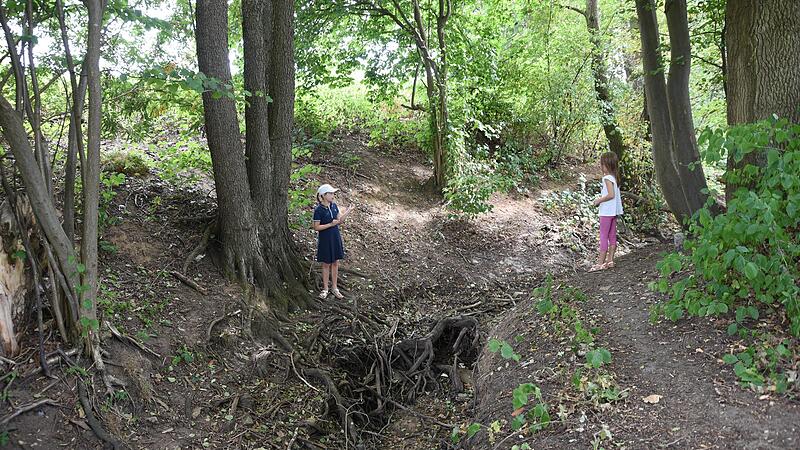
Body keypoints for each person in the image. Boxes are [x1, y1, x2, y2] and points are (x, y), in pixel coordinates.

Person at [312, 184, 353, 299]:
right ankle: (325, 289)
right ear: (323, 195)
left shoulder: (334, 206)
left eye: (333, 193)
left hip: (335, 237)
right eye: (330, 193)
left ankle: (334, 288)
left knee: (335, 262)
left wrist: (348, 211)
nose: (332, 195)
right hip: (325, 239)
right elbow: (316, 227)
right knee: (326, 264)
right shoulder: (318, 210)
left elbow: (339, 221)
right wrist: (330, 224)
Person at [590, 152, 623, 272]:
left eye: (602, 164)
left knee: (603, 236)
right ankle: (610, 260)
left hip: (606, 211)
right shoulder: (615, 178)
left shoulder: (607, 178)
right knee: (612, 235)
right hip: (613, 211)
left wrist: (598, 200)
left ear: (608, 165)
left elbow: (610, 195)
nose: (601, 167)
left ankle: (600, 263)